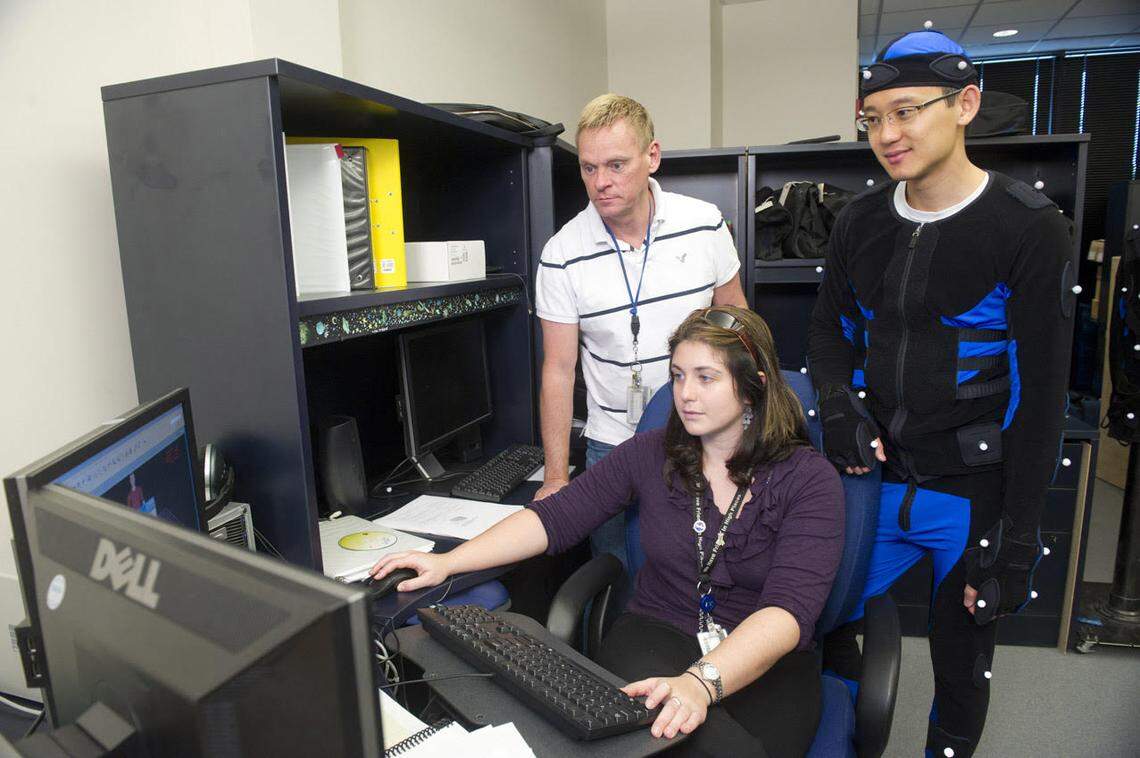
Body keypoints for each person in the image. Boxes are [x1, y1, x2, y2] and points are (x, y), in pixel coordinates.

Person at [371, 306, 843, 757]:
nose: (686, 395)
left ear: (753, 387)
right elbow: (554, 518)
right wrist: (448, 562)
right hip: (657, 632)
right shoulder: (649, 452)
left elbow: (786, 613)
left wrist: (700, 683)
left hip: (765, 653)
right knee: (659, 738)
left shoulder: (809, 479)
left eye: (707, 377)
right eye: (678, 375)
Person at [807, 29, 1075, 758]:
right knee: (817, 620)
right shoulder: (859, 221)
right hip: (879, 481)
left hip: (972, 493)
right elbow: (827, 337)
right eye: (872, 118)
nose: (888, 134)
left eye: (907, 111)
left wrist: (1018, 540)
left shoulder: (1028, 227)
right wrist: (835, 401)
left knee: (959, 671)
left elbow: (1043, 399)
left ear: (965, 105)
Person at [534, 94, 748, 579]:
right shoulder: (562, 253)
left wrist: (752, 422)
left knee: (708, 578)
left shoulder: (704, 223)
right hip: (612, 446)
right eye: (589, 169)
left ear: (652, 156)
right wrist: (556, 476)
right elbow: (559, 369)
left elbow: (738, 322)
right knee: (618, 581)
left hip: (703, 438)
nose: (601, 182)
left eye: (616, 165)